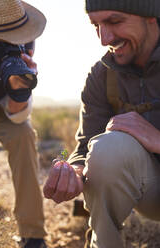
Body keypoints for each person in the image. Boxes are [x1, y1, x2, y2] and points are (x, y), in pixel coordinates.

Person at [43, 0, 160, 247]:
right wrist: (70, 166)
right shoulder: (101, 76)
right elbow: (83, 146)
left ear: (151, 16)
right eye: (96, 25)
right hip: (150, 190)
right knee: (107, 148)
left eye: (114, 21)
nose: (104, 38)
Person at [0, 0, 47, 247]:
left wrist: (20, 90)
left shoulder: (24, 44)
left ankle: (33, 235)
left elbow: (18, 116)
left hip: (1, 108)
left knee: (23, 134)